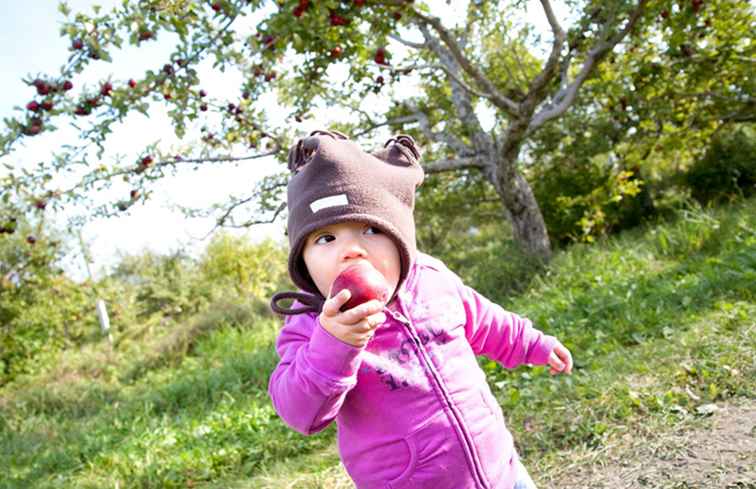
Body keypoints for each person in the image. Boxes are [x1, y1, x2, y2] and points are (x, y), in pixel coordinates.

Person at [269, 129, 573, 489]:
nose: (351, 250)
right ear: (303, 261)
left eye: (369, 229)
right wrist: (334, 343)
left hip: (501, 468)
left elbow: (485, 321)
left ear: (400, 239)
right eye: (326, 238)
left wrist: (532, 343)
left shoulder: (430, 280)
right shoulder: (310, 326)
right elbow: (299, 411)